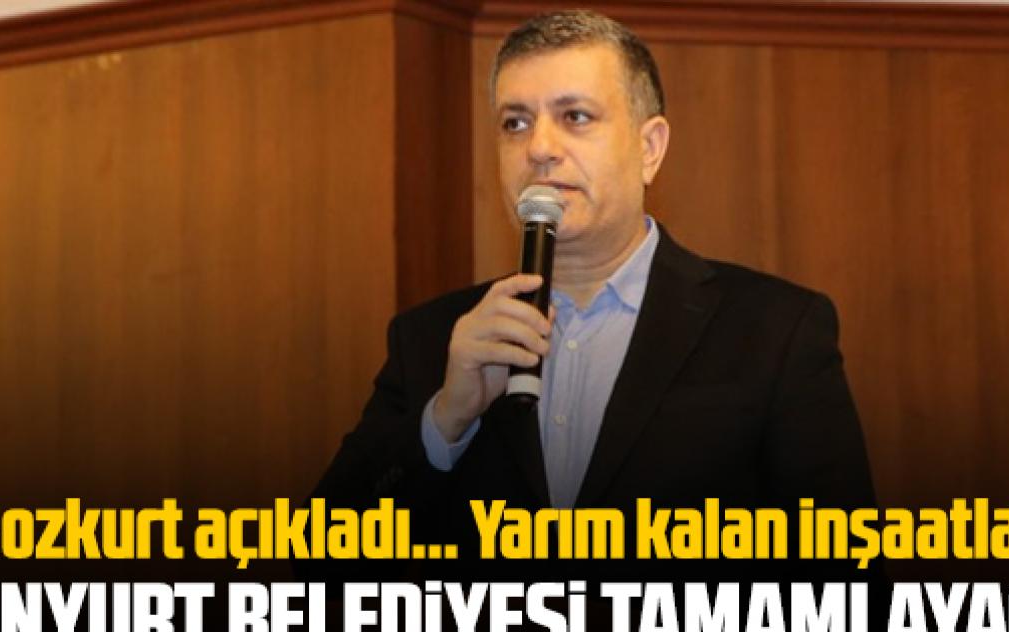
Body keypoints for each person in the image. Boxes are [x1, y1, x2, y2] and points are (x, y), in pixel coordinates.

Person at [309, 10, 879, 587]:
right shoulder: (434, 340)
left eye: (575, 116)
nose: (539, 147)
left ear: (650, 148)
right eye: (515, 123)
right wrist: (444, 421)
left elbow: (849, 589)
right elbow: (320, 560)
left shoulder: (775, 332)